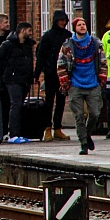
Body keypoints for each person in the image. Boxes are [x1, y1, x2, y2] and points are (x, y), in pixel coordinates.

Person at [58, 16, 107, 156]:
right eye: (79, 24)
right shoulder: (68, 45)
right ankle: (83, 143)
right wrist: (65, 82)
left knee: (95, 113)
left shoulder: (96, 43)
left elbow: (103, 62)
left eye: (84, 24)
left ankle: (88, 133)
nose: (82, 26)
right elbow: (61, 65)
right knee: (79, 115)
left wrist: (102, 79)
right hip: (75, 84)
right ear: (75, 28)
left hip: (93, 83)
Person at [0, 21, 36, 144]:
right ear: (22, 31)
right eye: (29, 31)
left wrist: (32, 76)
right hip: (12, 79)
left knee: (20, 105)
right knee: (16, 104)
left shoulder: (27, 45)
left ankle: (19, 132)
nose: (31, 33)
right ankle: (13, 134)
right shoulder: (8, 44)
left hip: (25, 80)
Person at [36, 9, 72, 141]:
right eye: (60, 20)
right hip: (50, 72)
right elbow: (40, 55)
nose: (62, 23)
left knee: (61, 101)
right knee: (49, 101)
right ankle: (47, 128)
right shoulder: (48, 36)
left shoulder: (68, 35)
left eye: (64, 20)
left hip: (63, 73)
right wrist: (37, 72)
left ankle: (57, 128)